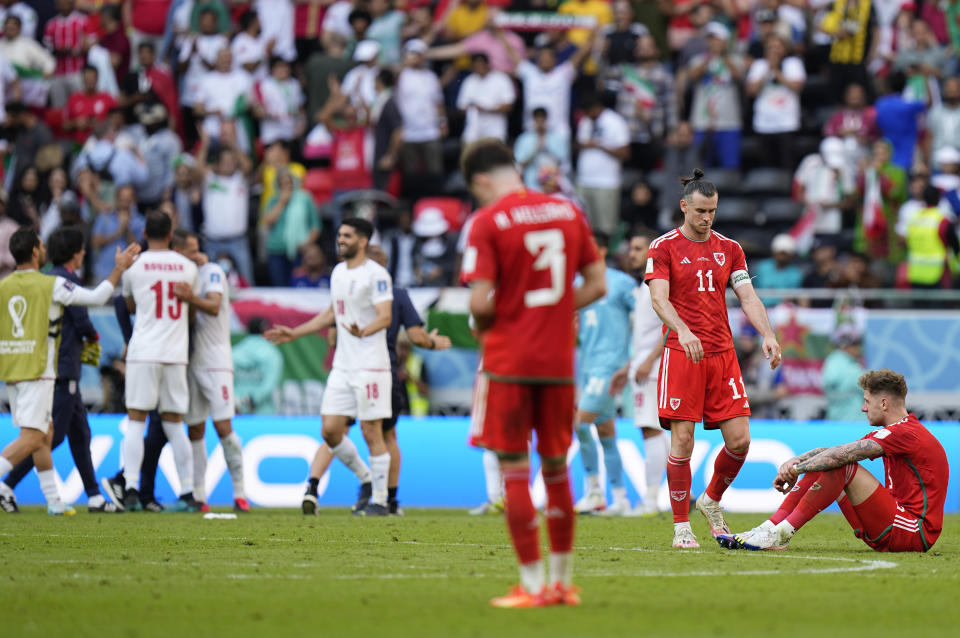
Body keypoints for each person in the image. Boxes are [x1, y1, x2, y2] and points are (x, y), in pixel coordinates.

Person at [461, 139, 607, 607]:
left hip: (509, 363)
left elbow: (479, 302)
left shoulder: (487, 221)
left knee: (515, 472)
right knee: (557, 469)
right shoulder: (567, 212)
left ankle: (530, 585)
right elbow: (597, 284)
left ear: (481, 181)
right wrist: (552, 311)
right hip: (558, 363)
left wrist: (497, 322)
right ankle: (562, 584)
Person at [645, 169, 782, 549]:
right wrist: (683, 330)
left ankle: (711, 501)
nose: (707, 219)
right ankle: (681, 528)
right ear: (684, 206)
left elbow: (748, 297)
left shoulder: (730, 248)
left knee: (740, 442)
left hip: (722, 354)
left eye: (713, 212)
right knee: (683, 442)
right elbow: (659, 298)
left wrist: (767, 334)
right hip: (682, 353)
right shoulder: (663, 247)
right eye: (701, 211)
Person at [719, 370, 948, 553]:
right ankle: (768, 528)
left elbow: (840, 456)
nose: (863, 408)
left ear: (885, 404)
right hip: (894, 526)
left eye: (867, 401)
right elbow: (834, 451)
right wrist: (795, 461)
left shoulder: (905, 433)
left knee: (840, 465)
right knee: (830, 462)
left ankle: (780, 535)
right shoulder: (897, 431)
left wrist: (797, 469)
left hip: (912, 532)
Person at [301, 245, 452, 516]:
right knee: (385, 436)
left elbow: (333, 338)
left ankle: (315, 487)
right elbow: (416, 336)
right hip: (382, 373)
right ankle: (387, 499)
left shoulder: (349, 290)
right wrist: (433, 342)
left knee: (335, 433)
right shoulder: (396, 294)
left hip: (349, 370)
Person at [0, 228, 138, 515]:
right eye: (40, 244)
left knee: (45, 434)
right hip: (39, 371)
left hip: (13, 370)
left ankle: (53, 502)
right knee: (33, 437)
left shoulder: (4, 286)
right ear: (36, 252)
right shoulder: (52, 284)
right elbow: (98, 297)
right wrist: (118, 269)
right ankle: (4, 487)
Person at [266, 218, 394, 516]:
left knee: (370, 431)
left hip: (371, 367)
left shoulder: (376, 275)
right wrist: (295, 332)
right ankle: (365, 478)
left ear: (362, 241)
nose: (341, 240)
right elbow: (331, 314)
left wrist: (365, 329)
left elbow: (385, 316)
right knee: (331, 431)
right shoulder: (337, 272)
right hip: (343, 366)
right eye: (339, 235)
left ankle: (379, 500)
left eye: (347, 236)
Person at [118, 211, 199, 512]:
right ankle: (188, 491)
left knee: (137, 421)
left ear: (143, 231)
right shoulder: (188, 267)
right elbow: (191, 312)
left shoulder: (134, 267)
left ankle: (130, 488)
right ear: (171, 232)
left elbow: (129, 305)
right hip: (175, 353)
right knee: (175, 424)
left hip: (144, 352)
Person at [168, 229, 248, 513]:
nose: (194, 253)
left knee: (224, 427)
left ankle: (240, 492)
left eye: (195, 247)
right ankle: (198, 495)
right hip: (190, 361)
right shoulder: (180, 275)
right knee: (195, 429)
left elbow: (213, 306)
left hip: (216, 361)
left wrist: (190, 297)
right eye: (188, 249)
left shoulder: (211, 271)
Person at [572, 230, 636, 516]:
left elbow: (647, 316)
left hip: (609, 366)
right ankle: (620, 497)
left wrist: (631, 361)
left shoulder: (621, 283)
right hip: (587, 365)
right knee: (606, 432)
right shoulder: (576, 284)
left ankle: (595, 491)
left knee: (580, 423)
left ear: (601, 251)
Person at [610, 231, 667, 516]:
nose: (631, 253)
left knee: (651, 430)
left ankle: (650, 500)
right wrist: (629, 366)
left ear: (651, 251)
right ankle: (677, 492)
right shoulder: (647, 286)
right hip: (645, 366)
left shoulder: (656, 285)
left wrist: (647, 362)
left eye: (637, 248)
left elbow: (670, 327)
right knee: (661, 432)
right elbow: (646, 334)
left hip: (652, 370)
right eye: (630, 248)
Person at [575, 93, 630, 237]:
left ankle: (607, 257)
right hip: (584, 180)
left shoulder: (615, 121)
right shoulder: (585, 121)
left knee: (605, 227)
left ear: (597, 107)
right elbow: (579, 143)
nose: (587, 115)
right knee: (585, 225)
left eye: (588, 112)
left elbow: (625, 153)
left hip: (607, 182)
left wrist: (600, 145)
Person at [905, 184, 960, 290]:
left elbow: (908, 242)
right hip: (937, 274)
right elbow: (954, 247)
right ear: (938, 199)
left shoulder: (914, 219)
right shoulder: (942, 220)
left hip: (915, 272)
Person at [822, 325, 867, 421]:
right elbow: (874, 392)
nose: (859, 348)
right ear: (846, 346)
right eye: (856, 344)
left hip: (834, 424)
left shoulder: (829, 363)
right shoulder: (852, 369)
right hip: (855, 425)